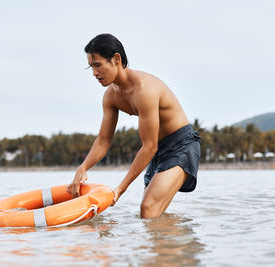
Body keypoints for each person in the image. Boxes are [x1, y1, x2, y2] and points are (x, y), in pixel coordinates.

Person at [67, 33, 201, 218]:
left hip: (181, 145)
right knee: (151, 216)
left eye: (97, 65)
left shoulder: (144, 89)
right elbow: (104, 140)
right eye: (91, 67)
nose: (94, 73)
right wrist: (83, 167)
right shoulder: (110, 96)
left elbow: (149, 145)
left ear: (116, 59)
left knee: (148, 208)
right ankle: (175, 243)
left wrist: (120, 189)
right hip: (157, 152)